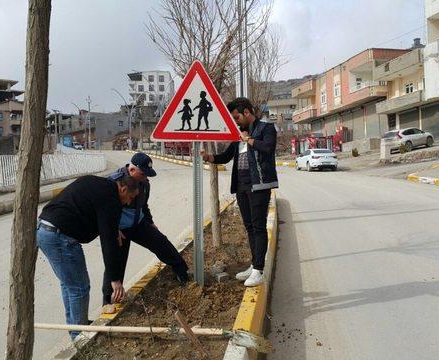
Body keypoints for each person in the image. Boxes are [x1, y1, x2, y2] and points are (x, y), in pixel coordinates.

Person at [37, 173, 140, 340]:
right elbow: (108, 242)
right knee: (79, 288)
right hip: (60, 237)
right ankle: (79, 336)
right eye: (130, 197)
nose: (128, 202)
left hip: (44, 230)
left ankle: (77, 326)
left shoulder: (100, 185)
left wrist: (113, 229)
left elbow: (99, 218)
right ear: (123, 188)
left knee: (69, 285)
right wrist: (115, 279)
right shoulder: (111, 199)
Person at [200, 97, 278, 287]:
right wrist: (209, 157)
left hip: (259, 185)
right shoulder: (238, 136)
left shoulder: (265, 128)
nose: (235, 121)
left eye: (237, 117)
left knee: (259, 228)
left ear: (246, 112)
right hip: (242, 187)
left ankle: (259, 270)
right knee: (249, 227)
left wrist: (249, 140)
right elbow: (226, 157)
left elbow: (268, 147)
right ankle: (254, 265)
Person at [102, 152, 190, 306]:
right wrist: (113, 229)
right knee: (115, 263)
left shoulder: (143, 183)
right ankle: (109, 301)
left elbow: (143, 205)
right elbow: (104, 211)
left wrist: (150, 222)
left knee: (162, 243)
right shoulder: (113, 183)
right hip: (118, 230)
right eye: (143, 174)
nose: (145, 178)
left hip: (138, 224)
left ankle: (183, 274)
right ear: (132, 170)